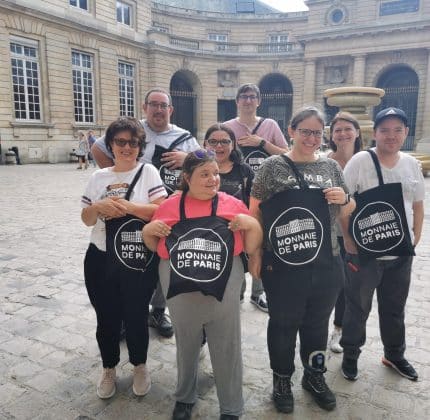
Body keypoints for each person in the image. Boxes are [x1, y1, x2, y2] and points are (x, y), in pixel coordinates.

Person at [249, 106, 355, 413]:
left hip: (326, 261)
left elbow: (349, 209)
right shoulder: (272, 167)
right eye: (305, 131)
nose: (311, 138)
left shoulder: (331, 169)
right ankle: (281, 379)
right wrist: (253, 254)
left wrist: (345, 200)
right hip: (282, 265)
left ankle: (315, 375)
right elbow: (253, 212)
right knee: (282, 324)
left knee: (317, 326)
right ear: (291, 131)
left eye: (317, 132)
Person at [143, 150, 263, 420]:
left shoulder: (232, 203)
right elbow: (155, 246)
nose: (213, 179)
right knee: (186, 342)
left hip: (225, 280)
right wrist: (148, 231)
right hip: (179, 283)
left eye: (216, 173)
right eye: (205, 174)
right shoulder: (171, 205)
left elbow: (253, 245)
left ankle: (231, 406)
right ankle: (184, 397)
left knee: (227, 343)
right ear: (187, 178)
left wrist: (251, 225)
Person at [91, 88, 200, 339]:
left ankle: (158, 310)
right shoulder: (133, 130)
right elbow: (98, 147)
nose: (158, 110)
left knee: (164, 260)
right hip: (131, 213)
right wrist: (117, 176)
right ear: (144, 107)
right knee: (127, 263)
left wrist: (188, 157)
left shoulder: (184, 137)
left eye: (163, 105)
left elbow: (206, 163)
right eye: (154, 104)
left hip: (170, 211)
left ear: (170, 110)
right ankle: (125, 316)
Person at [81, 117, 167, 399]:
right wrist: (99, 206)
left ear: (140, 146)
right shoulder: (98, 178)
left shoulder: (149, 172)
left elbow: (160, 211)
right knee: (106, 316)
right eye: (120, 141)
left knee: (136, 314)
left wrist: (129, 206)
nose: (127, 147)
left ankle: (139, 365)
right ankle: (108, 368)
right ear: (111, 144)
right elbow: (86, 218)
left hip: (136, 256)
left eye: (133, 142)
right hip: (100, 256)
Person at [340, 107, 425, 382]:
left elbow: (418, 205)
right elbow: (342, 205)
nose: (391, 136)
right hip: (365, 254)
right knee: (358, 307)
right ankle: (351, 354)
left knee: (394, 307)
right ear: (374, 133)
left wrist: (417, 236)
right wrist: (349, 242)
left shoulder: (412, 164)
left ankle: (394, 355)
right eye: (385, 130)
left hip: (400, 254)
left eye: (397, 130)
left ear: (406, 133)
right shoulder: (360, 161)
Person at [224, 83, 289, 309]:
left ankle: (258, 291)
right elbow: (217, 153)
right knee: (238, 240)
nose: (248, 101)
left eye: (252, 97)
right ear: (237, 102)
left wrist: (261, 142)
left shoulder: (269, 125)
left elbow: (287, 154)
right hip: (237, 192)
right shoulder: (227, 126)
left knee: (263, 240)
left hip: (267, 194)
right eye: (244, 97)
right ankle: (238, 290)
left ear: (259, 101)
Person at [203, 123, 267, 312]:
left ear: (233, 144)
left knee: (255, 253)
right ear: (205, 143)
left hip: (242, 226)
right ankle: (237, 293)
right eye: (213, 141)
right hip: (214, 230)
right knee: (231, 273)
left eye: (225, 141)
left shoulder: (243, 170)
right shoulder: (200, 169)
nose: (219, 147)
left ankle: (258, 293)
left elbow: (255, 199)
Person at [326, 112, 362, 353]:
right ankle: (330, 328)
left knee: (354, 286)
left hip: (360, 233)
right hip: (331, 233)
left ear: (357, 132)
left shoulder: (367, 160)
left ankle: (344, 330)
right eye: (337, 130)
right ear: (331, 136)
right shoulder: (324, 161)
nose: (343, 133)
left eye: (348, 128)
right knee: (335, 284)